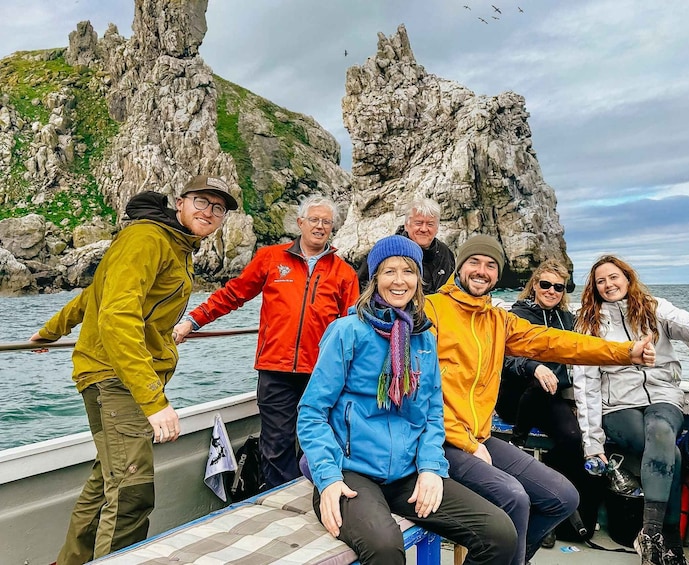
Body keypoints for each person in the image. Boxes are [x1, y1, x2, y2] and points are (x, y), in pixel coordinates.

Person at [31, 175, 238, 564]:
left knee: (106, 482)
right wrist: (153, 400)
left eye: (218, 207)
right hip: (115, 377)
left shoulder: (175, 245)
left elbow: (93, 295)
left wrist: (49, 332)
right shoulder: (147, 239)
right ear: (180, 202)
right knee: (131, 494)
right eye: (201, 202)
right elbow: (117, 315)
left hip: (116, 373)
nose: (209, 212)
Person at [423, 235, 656, 565]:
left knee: (562, 497)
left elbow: (558, 343)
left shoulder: (497, 321)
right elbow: (418, 391)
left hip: (478, 437)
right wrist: (466, 442)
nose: (481, 270)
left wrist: (623, 352)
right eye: (473, 262)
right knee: (514, 496)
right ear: (459, 267)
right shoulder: (431, 310)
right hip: (439, 440)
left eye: (491, 265)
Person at [297, 235, 517, 564]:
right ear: (374, 279)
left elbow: (431, 414)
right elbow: (312, 413)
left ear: (418, 280)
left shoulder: (423, 337)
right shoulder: (347, 332)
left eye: (408, 271)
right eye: (389, 271)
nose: (399, 281)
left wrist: (430, 468)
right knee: (385, 548)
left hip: (407, 472)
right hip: (351, 472)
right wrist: (328, 479)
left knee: (499, 532)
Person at [572, 255, 689, 565]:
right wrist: (592, 443)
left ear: (628, 279)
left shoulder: (653, 308)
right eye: (601, 281)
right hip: (618, 405)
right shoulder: (589, 325)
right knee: (669, 454)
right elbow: (586, 385)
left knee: (661, 431)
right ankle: (668, 540)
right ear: (594, 287)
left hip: (663, 396)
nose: (609, 284)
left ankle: (650, 535)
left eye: (614, 277)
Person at [172, 195, 359, 489]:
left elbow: (353, 326)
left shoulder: (343, 272)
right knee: (276, 445)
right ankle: (278, 501)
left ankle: (319, 496)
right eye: (314, 220)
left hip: (322, 371)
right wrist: (192, 321)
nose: (320, 227)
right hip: (276, 369)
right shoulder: (272, 258)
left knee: (323, 439)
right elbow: (233, 294)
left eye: (326, 222)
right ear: (300, 223)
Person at [498, 259, 603, 544]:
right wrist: (532, 366)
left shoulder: (566, 320)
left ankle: (551, 508)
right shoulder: (516, 315)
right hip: (516, 397)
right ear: (534, 285)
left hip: (547, 397)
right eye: (545, 284)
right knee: (538, 384)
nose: (551, 291)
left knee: (571, 438)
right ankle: (517, 443)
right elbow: (504, 358)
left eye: (558, 287)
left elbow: (582, 351)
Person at [357, 197, 455, 294]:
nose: (424, 229)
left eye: (430, 224)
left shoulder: (445, 253)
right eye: (418, 223)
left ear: (437, 228)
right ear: (406, 225)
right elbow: (362, 286)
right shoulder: (387, 250)